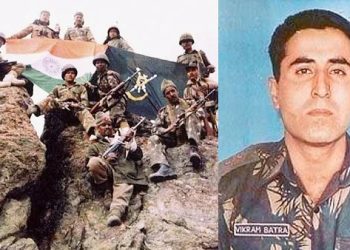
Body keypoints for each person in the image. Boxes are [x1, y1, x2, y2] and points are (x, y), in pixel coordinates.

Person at [219, 9, 350, 249]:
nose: (321, 89)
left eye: (338, 71)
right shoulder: (226, 188)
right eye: (303, 70)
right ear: (275, 91)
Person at [86, 112, 147, 226]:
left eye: (109, 124)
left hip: (124, 172)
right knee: (94, 162)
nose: (108, 127)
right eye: (104, 125)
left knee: (123, 190)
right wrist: (105, 159)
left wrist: (130, 142)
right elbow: (89, 167)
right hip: (107, 172)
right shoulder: (95, 146)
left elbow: (139, 155)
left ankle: (115, 214)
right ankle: (106, 192)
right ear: (98, 128)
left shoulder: (122, 137)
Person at [148, 79, 202, 183]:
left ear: (177, 91)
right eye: (168, 93)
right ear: (165, 96)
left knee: (190, 115)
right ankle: (164, 167)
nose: (171, 94)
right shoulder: (163, 112)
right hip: (174, 138)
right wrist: (168, 128)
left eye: (173, 91)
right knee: (153, 138)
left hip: (190, 133)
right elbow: (155, 128)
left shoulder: (189, 103)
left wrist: (190, 111)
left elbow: (201, 114)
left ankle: (193, 149)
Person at [27, 64, 95, 135]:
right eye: (68, 73)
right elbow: (50, 96)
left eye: (72, 73)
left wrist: (77, 105)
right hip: (61, 108)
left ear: (75, 76)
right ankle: (35, 109)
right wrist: (58, 101)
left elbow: (85, 102)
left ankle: (92, 131)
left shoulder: (81, 87)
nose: (70, 75)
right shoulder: (58, 87)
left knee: (84, 111)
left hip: (74, 110)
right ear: (64, 75)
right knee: (50, 99)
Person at [91, 53, 129, 129]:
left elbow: (116, 92)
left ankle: (126, 130)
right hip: (106, 101)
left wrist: (113, 93)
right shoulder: (99, 78)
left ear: (106, 64)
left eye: (102, 62)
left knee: (117, 117)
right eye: (97, 63)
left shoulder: (110, 75)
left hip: (116, 100)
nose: (100, 64)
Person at [183, 61, 218, 136]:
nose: (191, 73)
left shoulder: (205, 81)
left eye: (193, 70)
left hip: (211, 111)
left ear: (197, 71)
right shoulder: (187, 90)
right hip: (197, 114)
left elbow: (217, 85)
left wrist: (207, 85)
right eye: (188, 71)